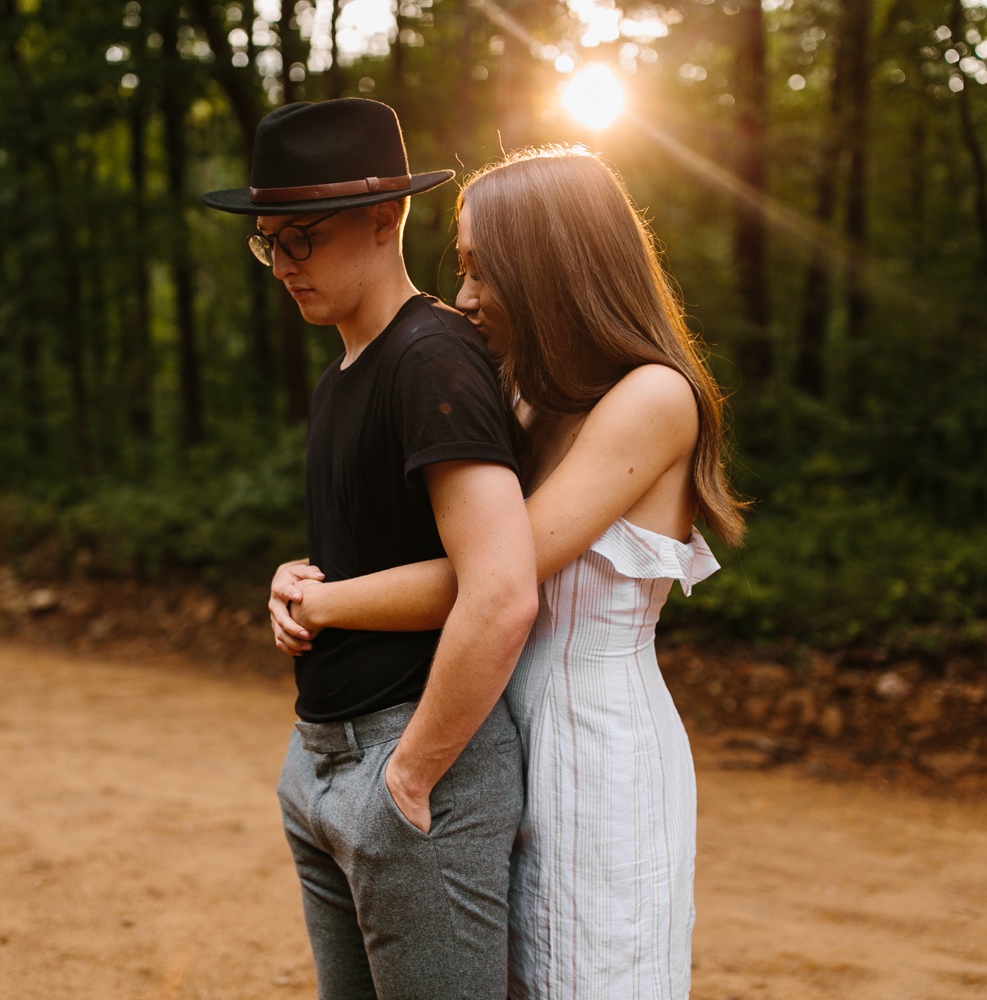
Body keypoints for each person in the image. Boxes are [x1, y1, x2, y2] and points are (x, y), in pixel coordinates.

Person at [269, 145, 747, 999]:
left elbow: (491, 580)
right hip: (498, 729)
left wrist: (325, 604)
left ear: (552, 266)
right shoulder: (525, 396)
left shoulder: (651, 398)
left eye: (484, 270)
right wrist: (302, 576)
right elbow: (429, 546)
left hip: (595, 749)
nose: (464, 296)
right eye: (463, 268)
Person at [203, 99, 539, 998]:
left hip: (411, 756)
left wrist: (409, 778)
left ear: (385, 217)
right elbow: (384, 550)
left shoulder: (431, 358)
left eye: (302, 237)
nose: (282, 263)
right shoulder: (341, 376)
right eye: (268, 241)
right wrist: (296, 584)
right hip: (320, 756)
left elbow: (501, 586)